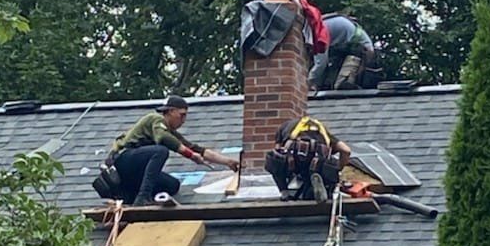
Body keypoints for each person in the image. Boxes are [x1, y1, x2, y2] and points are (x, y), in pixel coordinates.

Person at [93, 96, 238, 205]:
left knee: (172, 185)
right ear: (170, 111)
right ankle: (143, 197)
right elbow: (163, 138)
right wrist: (190, 155)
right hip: (123, 163)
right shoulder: (156, 119)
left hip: (135, 174)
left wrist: (228, 162)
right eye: (182, 115)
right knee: (161, 151)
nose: (183, 120)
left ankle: (130, 198)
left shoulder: (170, 133)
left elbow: (197, 149)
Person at [264, 115, 351, 203]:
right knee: (328, 169)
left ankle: (284, 192)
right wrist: (338, 170)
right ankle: (323, 186)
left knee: (273, 159)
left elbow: (277, 150)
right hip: (318, 165)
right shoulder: (322, 130)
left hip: (294, 160)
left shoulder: (286, 126)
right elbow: (346, 150)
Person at [307, 14, 376, 91]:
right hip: (347, 33)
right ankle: (337, 82)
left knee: (325, 64)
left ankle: (342, 82)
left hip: (352, 40)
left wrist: (308, 83)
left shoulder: (317, 34)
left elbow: (320, 64)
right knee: (326, 63)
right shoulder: (316, 30)